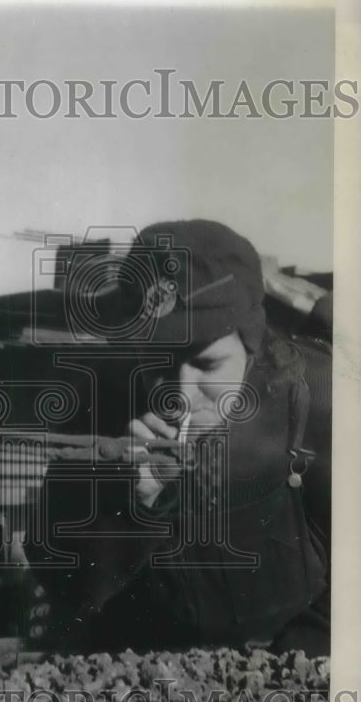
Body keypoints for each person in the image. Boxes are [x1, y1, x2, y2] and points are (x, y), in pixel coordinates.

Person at [32, 220, 331, 660]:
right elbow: (65, 588)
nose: (180, 394)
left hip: (289, 665)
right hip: (141, 672)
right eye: (158, 363)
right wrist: (132, 509)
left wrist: (283, 672)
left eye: (208, 366)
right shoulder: (98, 402)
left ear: (252, 346)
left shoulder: (314, 401)